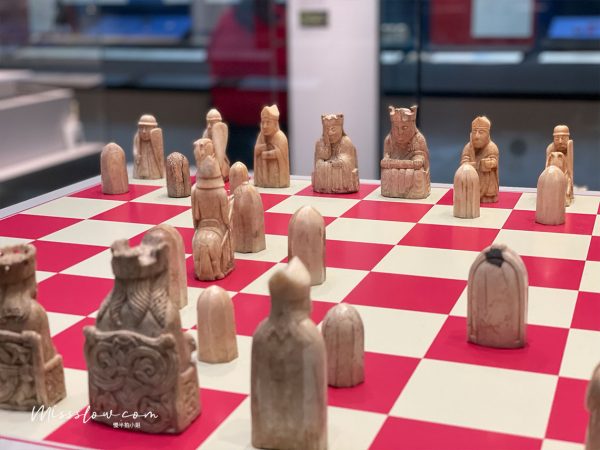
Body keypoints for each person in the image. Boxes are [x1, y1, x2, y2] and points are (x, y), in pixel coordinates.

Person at [380, 105, 430, 199]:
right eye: (396, 127)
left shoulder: (418, 139)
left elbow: (421, 159)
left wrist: (417, 160)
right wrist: (386, 159)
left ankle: (414, 193)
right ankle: (391, 192)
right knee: (387, 173)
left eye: (404, 127)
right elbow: (386, 157)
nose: (400, 132)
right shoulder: (389, 140)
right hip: (398, 168)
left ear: (412, 126)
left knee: (416, 174)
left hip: (411, 169)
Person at [312, 114, 359, 194]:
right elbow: (319, 160)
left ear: (340, 129)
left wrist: (340, 162)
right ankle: (324, 187)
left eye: (333, 129)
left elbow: (349, 161)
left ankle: (339, 187)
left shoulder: (345, 141)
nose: (330, 133)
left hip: (340, 175)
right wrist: (327, 144)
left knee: (335, 166)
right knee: (320, 165)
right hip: (326, 173)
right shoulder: (320, 142)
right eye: (326, 129)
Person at [460, 116, 499, 203]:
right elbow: (464, 161)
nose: (476, 136)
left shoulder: (492, 147)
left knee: (489, 191)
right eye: (474, 132)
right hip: (472, 182)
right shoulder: (468, 147)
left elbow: (494, 162)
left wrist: (487, 163)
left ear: (488, 134)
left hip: (487, 181)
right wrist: (469, 165)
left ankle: (488, 197)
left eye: (481, 132)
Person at [253, 105, 290, 188]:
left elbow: (282, 157)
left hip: (275, 175)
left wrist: (268, 154)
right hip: (262, 175)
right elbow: (256, 150)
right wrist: (262, 148)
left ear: (275, 124)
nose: (264, 126)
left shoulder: (280, 137)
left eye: (268, 122)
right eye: (263, 123)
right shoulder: (261, 136)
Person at [546, 125, 574, 206]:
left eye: (563, 138)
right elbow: (547, 167)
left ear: (568, 138)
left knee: (567, 179)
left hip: (565, 175)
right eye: (557, 139)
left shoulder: (569, 147)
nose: (560, 142)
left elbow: (570, 172)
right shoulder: (550, 148)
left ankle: (566, 196)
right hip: (553, 174)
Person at [132, 114, 164, 179]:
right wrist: (136, 154)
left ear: (154, 128)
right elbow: (135, 148)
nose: (144, 131)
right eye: (141, 128)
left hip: (153, 168)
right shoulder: (137, 137)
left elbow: (159, 154)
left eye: (147, 128)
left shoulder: (157, 138)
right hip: (141, 166)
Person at [202, 108, 231, 180]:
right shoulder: (206, 133)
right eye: (208, 123)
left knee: (223, 170)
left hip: (218, 160)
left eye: (212, 123)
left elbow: (220, 150)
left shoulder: (221, 132)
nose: (209, 126)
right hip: (208, 160)